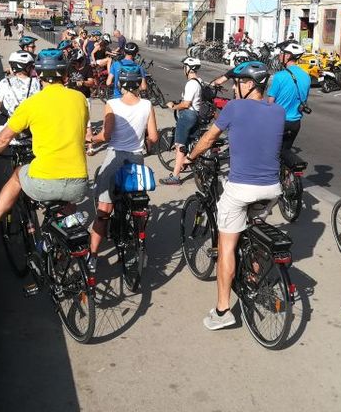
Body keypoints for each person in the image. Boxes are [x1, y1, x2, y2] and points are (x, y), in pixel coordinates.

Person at [183, 61, 285, 331]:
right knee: (250, 226)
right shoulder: (278, 111)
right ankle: (253, 273)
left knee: (227, 245)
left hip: (242, 188)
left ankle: (222, 310)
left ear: (250, 85)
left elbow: (208, 139)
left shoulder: (234, 107)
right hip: (272, 189)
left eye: (238, 82)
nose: (233, 86)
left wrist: (189, 158)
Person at [0, 55, 89, 246]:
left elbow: (3, 138)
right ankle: (63, 246)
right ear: (66, 76)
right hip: (79, 184)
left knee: (18, 175)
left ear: (39, 75)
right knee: (67, 200)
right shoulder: (80, 99)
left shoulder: (31, 104)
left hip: (46, 181)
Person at [87, 68, 158, 273]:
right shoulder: (147, 105)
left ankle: (92, 256)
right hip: (136, 159)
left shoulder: (112, 104)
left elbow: (106, 135)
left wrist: (91, 138)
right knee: (138, 201)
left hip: (115, 157)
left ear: (120, 84)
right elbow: (152, 137)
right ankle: (138, 242)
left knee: (103, 210)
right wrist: (145, 144)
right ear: (138, 84)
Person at [0, 50, 41, 160]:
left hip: (14, 129)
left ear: (14, 67)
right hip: (33, 129)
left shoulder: (4, 83)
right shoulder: (38, 83)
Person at [160, 56, 203, 186]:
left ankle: (175, 176)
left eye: (184, 67)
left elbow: (186, 104)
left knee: (180, 146)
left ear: (188, 69)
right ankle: (188, 162)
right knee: (191, 142)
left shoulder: (191, 84)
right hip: (196, 114)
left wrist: (173, 106)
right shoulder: (199, 81)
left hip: (187, 116)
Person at [267, 41, 311, 154]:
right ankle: (286, 171)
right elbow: (304, 99)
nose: (280, 56)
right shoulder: (306, 76)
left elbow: (270, 102)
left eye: (282, 53)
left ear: (288, 56)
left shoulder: (279, 76)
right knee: (286, 151)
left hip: (278, 121)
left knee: (271, 153)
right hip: (295, 122)